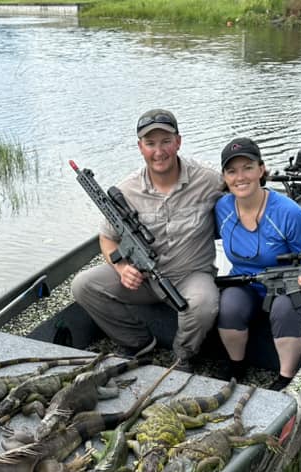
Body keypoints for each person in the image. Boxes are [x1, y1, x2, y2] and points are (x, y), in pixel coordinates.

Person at [71, 109, 225, 372]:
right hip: (142, 280)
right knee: (83, 285)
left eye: (166, 142)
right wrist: (122, 268)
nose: (159, 151)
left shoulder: (208, 179)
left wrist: (260, 179)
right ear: (140, 147)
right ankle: (139, 343)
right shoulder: (127, 190)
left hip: (190, 275)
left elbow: (244, 189)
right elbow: (107, 238)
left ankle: (183, 357)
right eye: (150, 143)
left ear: (178, 142)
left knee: (204, 304)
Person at [214, 137, 301, 391]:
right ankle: (237, 365)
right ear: (225, 177)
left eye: (248, 168)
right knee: (228, 306)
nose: (240, 177)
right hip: (246, 283)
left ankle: (285, 377)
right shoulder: (222, 208)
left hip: (289, 285)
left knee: (285, 307)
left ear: (261, 170)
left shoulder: (290, 213)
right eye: (232, 171)